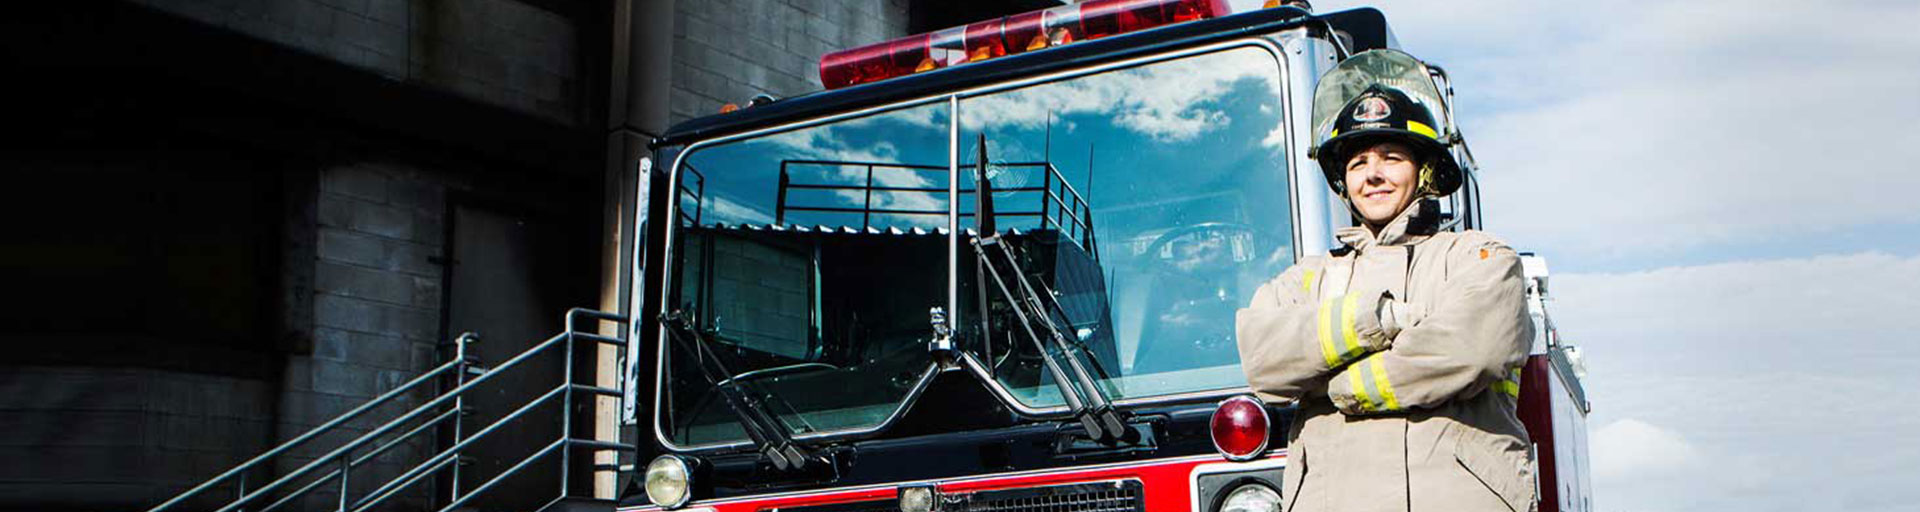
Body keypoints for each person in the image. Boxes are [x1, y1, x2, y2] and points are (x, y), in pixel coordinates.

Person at [1234, 78, 1537, 511]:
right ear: (1344, 182)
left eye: (1392, 158)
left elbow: (1475, 348)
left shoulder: (1480, 258)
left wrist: (1337, 384)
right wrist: (1383, 319)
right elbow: (1263, 358)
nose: (1372, 174)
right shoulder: (1306, 278)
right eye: (1357, 163)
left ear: (1425, 170)